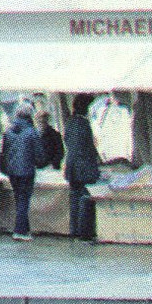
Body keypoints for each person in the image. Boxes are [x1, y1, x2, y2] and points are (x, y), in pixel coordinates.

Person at [0, 101, 45, 241]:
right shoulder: (32, 132)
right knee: (23, 200)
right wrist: (41, 163)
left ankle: (24, 228)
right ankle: (20, 231)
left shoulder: (8, 131)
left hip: (12, 170)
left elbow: (4, 152)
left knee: (19, 198)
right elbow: (39, 154)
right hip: (26, 170)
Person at [63, 93, 101, 240]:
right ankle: (84, 232)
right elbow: (87, 147)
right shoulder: (83, 124)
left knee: (74, 198)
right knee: (84, 198)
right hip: (83, 167)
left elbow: (68, 142)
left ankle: (74, 229)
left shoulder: (70, 122)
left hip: (72, 166)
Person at [35, 105, 64, 171]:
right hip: (38, 169)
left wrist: (52, 164)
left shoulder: (55, 135)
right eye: (39, 121)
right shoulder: (34, 136)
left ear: (47, 121)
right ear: (36, 122)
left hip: (52, 169)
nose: (42, 123)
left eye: (44, 121)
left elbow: (60, 152)